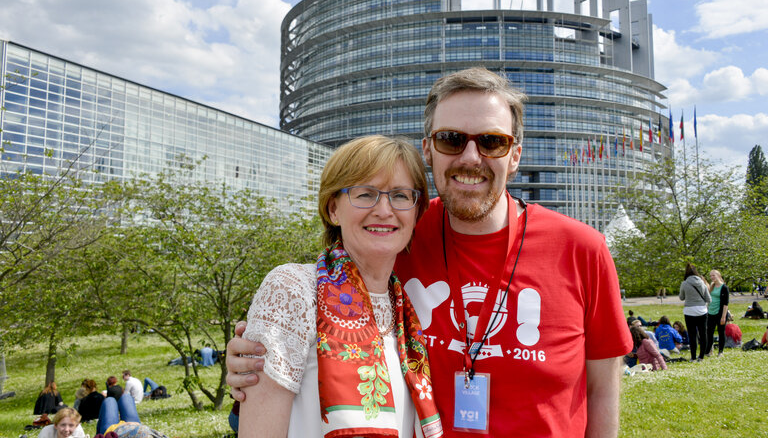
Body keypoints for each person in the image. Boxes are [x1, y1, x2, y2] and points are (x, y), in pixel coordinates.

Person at [227, 68, 632, 436]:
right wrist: (264, 356)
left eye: (492, 142)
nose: (471, 157)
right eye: (451, 139)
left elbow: (601, 390)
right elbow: (314, 305)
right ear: (428, 149)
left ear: (515, 157)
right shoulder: (397, 234)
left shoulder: (582, 249)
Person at [239, 135, 441, 438]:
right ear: (333, 209)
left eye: (400, 195)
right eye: (365, 194)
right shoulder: (293, 290)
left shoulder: (407, 311)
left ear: (416, 212)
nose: (384, 210)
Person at [96, 392, 169, 437]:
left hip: (113, 432)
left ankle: (98, 435)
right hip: (136, 427)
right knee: (126, 397)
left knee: (110, 400)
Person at [679, 263, 711, 361]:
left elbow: (681, 297)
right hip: (702, 310)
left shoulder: (684, 283)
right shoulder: (702, 282)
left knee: (692, 335)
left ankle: (693, 357)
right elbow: (709, 299)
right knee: (703, 334)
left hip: (689, 311)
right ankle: (701, 356)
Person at [704, 269, 729, 357]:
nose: (712, 277)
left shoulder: (724, 287)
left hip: (720, 313)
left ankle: (720, 351)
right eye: (710, 276)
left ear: (718, 275)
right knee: (709, 332)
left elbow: (726, 304)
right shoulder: (712, 286)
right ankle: (708, 351)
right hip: (711, 312)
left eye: (713, 275)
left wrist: (723, 316)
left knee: (721, 332)